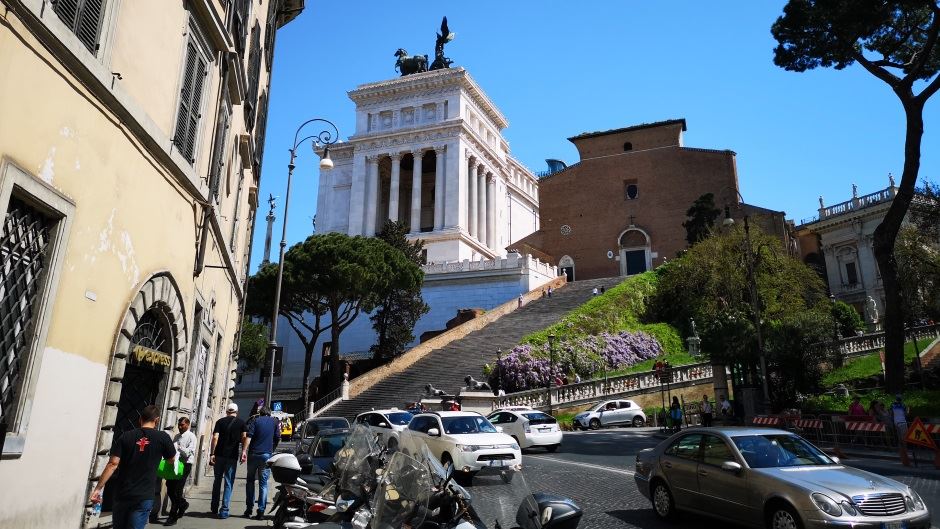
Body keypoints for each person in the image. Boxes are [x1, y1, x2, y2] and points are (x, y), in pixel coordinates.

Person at [89, 405, 176, 529]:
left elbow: (112, 464)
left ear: (140, 419)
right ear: (157, 420)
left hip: (122, 493)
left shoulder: (126, 436)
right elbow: (171, 460)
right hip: (144, 495)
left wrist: (98, 489)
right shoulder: (163, 437)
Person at [210, 403, 247, 519]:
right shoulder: (241, 423)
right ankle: (224, 510)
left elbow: (215, 437)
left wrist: (212, 453)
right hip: (232, 456)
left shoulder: (220, 422)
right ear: (237, 412)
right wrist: (244, 451)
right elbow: (244, 438)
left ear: (226, 411)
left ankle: (214, 507)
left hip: (219, 455)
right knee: (228, 482)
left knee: (217, 481)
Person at [243, 406, 281, 520]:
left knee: (250, 481)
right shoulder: (274, 422)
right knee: (263, 484)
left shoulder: (255, 421)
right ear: (269, 413)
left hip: (253, 454)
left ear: (260, 413)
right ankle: (261, 511)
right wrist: (272, 449)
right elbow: (278, 437)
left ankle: (249, 509)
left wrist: (244, 451)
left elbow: (248, 438)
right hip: (266, 455)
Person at [165, 417, 196, 526]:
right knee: (169, 488)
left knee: (177, 489)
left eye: (182, 425)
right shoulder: (177, 436)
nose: (179, 427)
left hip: (185, 464)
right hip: (175, 464)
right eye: (179, 424)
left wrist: (178, 447)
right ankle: (182, 504)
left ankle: (173, 516)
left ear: (187, 425)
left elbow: (189, 453)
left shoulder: (191, 437)